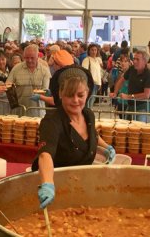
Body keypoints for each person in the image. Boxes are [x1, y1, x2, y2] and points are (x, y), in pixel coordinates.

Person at [33, 66, 116, 209]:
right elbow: (45, 155)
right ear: (59, 93)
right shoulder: (52, 121)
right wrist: (48, 184)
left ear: (87, 93)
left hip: (81, 186)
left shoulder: (88, 114)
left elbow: (92, 134)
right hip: (55, 190)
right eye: (70, 95)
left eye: (80, 95)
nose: (75, 100)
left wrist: (106, 147)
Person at [7, 44, 51, 117]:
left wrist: (46, 93)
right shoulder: (16, 69)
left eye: (32, 58)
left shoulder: (44, 71)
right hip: (19, 111)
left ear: (38, 57)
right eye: (27, 58)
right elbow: (8, 86)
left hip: (38, 112)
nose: (29, 60)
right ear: (23, 57)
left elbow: (45, 90)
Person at [81, 43, 103, 108]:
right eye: (92, 50)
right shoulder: (86, 60)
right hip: (90, 83)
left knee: (92, 100)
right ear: (89, 51)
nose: (94, 52)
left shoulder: (97, 60)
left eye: (95, 50)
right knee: (88, 101)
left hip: (97, 83)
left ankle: (89, 113)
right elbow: (84, 72)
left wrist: (100, 83)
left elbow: (98, 72)